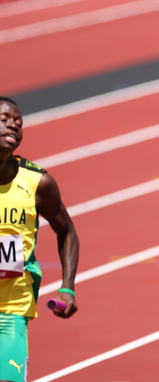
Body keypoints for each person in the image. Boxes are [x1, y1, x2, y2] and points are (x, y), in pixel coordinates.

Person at [0, 96, 80, 382]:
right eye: (5, 119)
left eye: (18, 122)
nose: (14, 125)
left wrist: (67, 288)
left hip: (10, 308)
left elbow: (67, 231)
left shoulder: (37, 183)